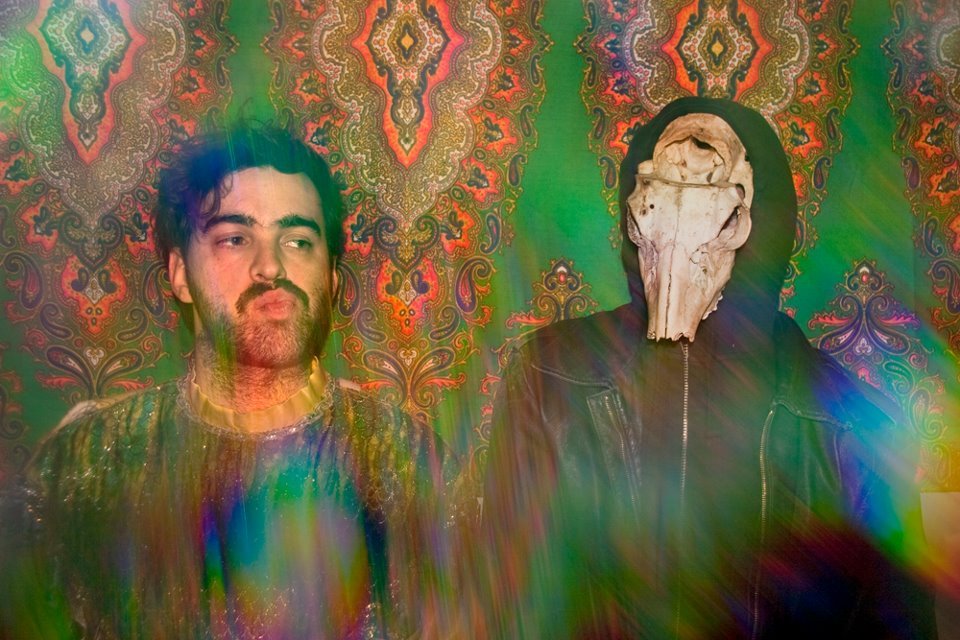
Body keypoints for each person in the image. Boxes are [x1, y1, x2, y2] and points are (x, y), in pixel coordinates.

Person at [479, 97, 936, 638]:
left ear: (760, 222)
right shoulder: (549, 378)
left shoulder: (850, 423)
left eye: (708, 207)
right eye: (660, 202)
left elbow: (890, 618)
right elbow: (509, 599)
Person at [2, 124, 454, 638]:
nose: (271, 267)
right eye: (235, 239)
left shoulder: (405, 460)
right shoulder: (86, 461)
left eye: (298, 241)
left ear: (330, 278)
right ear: (180, 274)